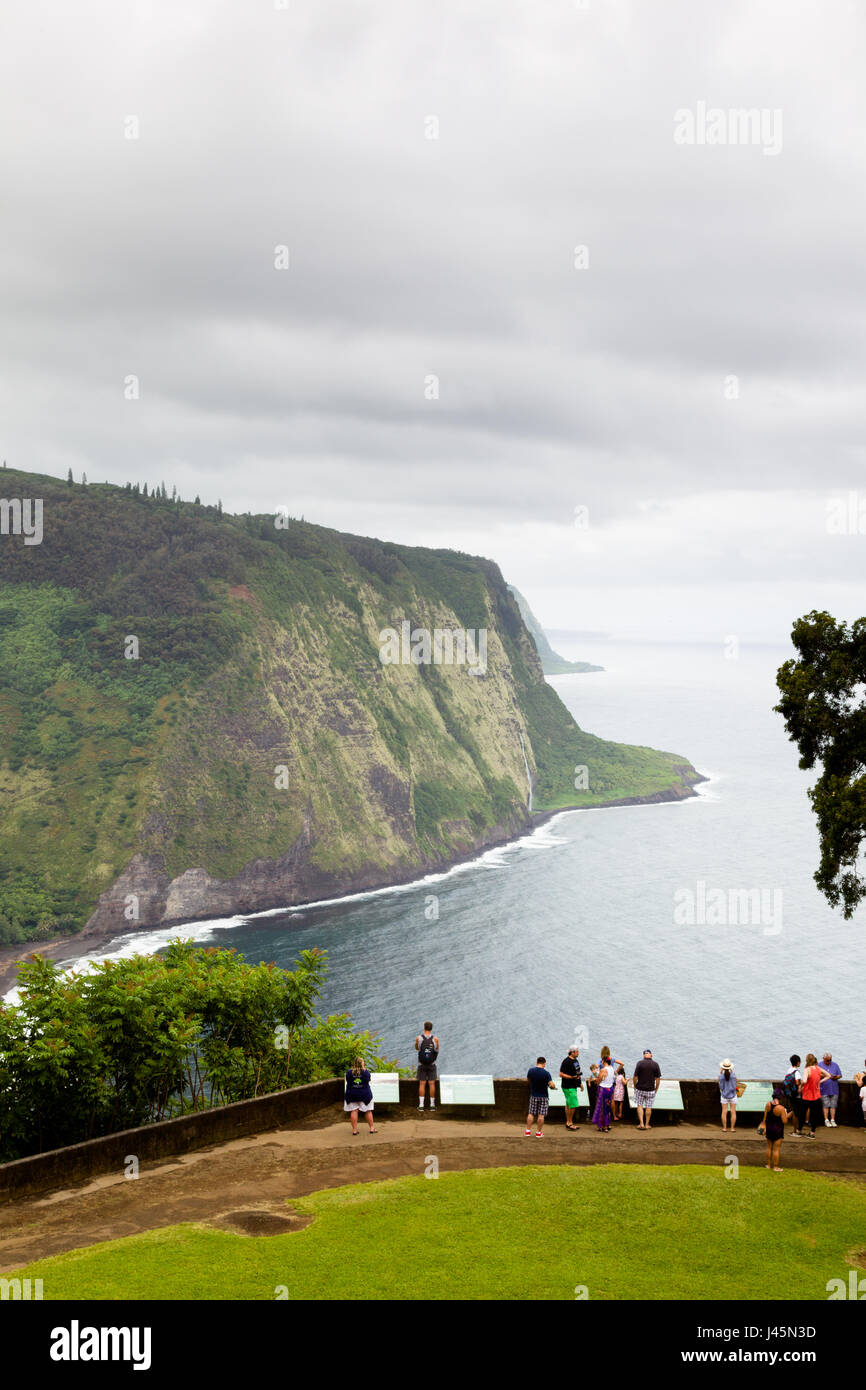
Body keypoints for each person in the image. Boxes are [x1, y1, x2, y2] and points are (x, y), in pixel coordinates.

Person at [799, 1053, 831, 1136]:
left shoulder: (807, 1069)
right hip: (816, 1096)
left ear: (807, 1060)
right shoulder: (818, 1068)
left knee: (802, 1114)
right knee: (814, 1115)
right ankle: (812, 1132)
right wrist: (820, 1081)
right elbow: (829, 1075)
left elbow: (805, 1081)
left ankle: (799, 1131)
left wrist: (801, 1085)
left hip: (806, 1096)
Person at [762, 1087, 793, 1171]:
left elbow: (765, 1118)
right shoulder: (781, 1108)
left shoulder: (768, 1104)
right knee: (776, 1149)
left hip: (769, 1128)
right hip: (777, 1130)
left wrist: (764, 1127)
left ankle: (768, 1165)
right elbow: (784, 1121)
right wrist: (790, 1114)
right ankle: (775, 1167)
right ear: (780, 1097)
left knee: (769, 1147)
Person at [344, 1057, 376, 1134]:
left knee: (354, 1111)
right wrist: (364, 1069)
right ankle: (372, 1128)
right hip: (364, 1094)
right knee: (368, 1111)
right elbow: (368, 1080)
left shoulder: (349, 1072)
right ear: (362, 1063)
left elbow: (348, 1081)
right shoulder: (366, 1072)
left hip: (352, 1094)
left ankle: (354, 1130)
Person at [525, 1056, 555, 1137]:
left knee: (531, 1113)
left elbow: (528, 1080)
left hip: (533, 1095)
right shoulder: (546, 1073)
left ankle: (527, 1131)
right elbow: (551, 1085)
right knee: (541, 1115)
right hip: (543, 1096)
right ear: (544, 1064)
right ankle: (538, 1133)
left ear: (537, 1062)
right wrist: (553, 1087)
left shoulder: (530, 1071)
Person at [632, 1049, 662, 1130]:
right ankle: (647, 1124)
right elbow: (658, 1079)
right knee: (649, 1107)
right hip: (650, 1089)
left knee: (639, 1105)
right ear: (651, 1055)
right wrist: (656, 1088)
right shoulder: (655, 1064)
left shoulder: (640, 1063)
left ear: (644, 1055)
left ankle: (641, 1123)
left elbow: (635, 1077)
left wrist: (635, 1086)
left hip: (640, 1089)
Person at [592, 1053, 620, 1133]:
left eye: (602, 1061)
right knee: (607, 1108)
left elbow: (599, 1080)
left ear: (604, 1061)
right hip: (610, 1089)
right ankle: (607, 1125)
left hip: (602, 1089)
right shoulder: (611, 1068)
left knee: (601, 1108)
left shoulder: (603, 1070)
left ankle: (602, 1126)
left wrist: (595, 1078)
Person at [414, 1022, 439, 1111]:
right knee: (432, 1084)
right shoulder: (435, 1039)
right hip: (432, 1064)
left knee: (422, 1084)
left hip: (422, 1064)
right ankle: (432, 1105)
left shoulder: (419, 1038)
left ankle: (421, 1105)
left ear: (424, 1027)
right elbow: (436, 1050)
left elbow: (417, 1048)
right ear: (431, 1028)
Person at [558, 1047, 583, 1130]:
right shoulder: (566, 1061)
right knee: (573, 1104)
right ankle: (570, 1123)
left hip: (573, 1085)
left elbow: (578, 1073)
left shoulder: (576, 1061)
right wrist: (571, 1077)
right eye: (577, 1051)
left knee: (569, 1104)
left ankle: (568, 1122)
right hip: (568, 1086)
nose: (578, 1052)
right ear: (572, 1052)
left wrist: (580, 1084)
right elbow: (561, 1074)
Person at [783, 1054, 804, 1134]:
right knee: (796, 1113)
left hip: (790, 1094)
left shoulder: (789, 1070)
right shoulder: (797, 1072)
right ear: (798, 1062)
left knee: (794, 1110)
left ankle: (783, 1117)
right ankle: (795, 1131)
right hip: (796, 1095)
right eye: (800, 1062)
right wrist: (803, 1083)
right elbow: (798, 1083)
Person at [820, 1052, 842, 1127]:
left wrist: (835, 1077)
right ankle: (826, 1120)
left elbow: (840, 1075)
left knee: (833, 1105)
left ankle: (832, 1120)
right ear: (823, 1059)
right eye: (827, 1060)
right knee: (825, 1105)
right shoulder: (819, 1065)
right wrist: (826, 1075)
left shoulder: (835, 1065)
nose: (829, 1062)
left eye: (830, 1060)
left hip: (834, 1089)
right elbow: (816, 1074)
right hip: (823, 1089)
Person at [719, 1060, 738, 1130]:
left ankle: (724, 1128)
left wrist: (720, 1072)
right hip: (733, 1095)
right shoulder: (733, 1076)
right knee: (733, 1112)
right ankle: (732, 1128)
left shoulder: (721, 1076)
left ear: (723, 1068)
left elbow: (721, 1087)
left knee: (724, 1111)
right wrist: (732, 1071)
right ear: (730, 1067)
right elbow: (734, 1086)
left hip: (724, 1096)